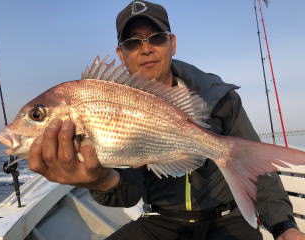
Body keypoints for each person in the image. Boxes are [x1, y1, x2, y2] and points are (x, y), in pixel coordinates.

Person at [28, 1, 305, 239]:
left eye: (156, 37)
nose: (146, 49)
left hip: (228, 221)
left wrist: (283, 226)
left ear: (171, 43)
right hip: (162, 221)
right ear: (120, 54)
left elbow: (261, 172)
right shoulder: (113, 108)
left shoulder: (219, 98)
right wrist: (99, 180)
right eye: (133, 43)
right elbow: (128, 193)